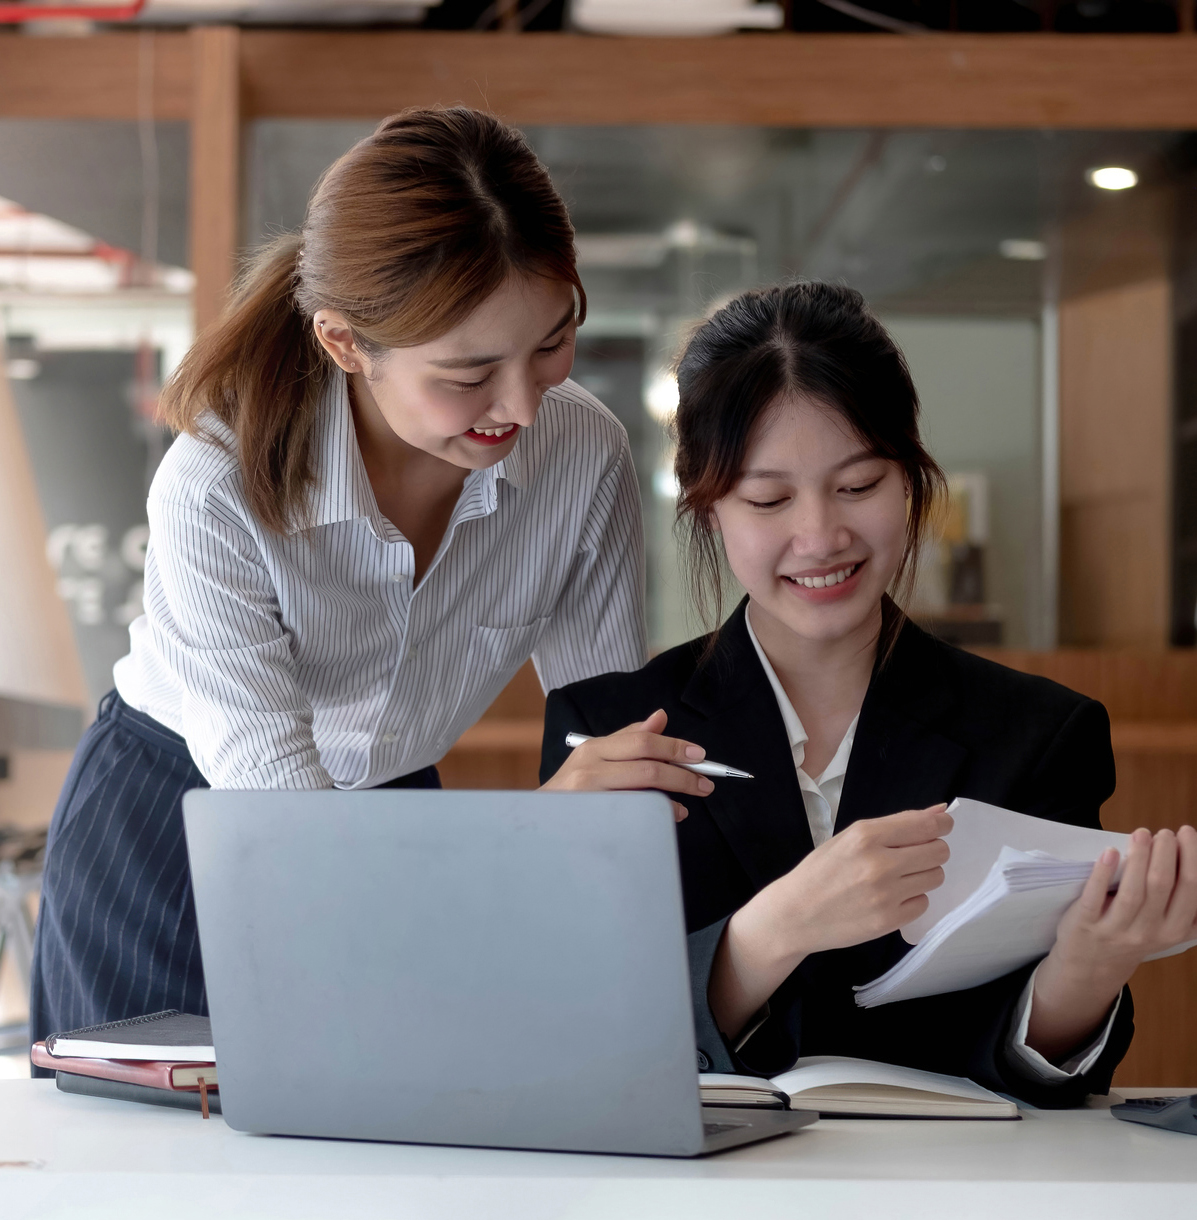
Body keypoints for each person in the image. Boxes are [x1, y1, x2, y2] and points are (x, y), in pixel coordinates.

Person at [30, 107, 648, 1057]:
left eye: (552, 343)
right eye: (469, 371)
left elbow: (610, 730)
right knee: (149, 1165)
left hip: (391, 803)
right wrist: (535, 839)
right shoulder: (217, 484)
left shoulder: (584, 454)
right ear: (345, 342)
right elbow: (285, 824)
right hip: (175, 822)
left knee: (390, 1133)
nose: (524, 404)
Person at [541, 282, 1197, 1107]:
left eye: (856, 486)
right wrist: (774, 931)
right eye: (768, 499)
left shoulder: (1038, 732)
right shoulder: (603, 730)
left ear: (912, 479)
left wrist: (1091, 966)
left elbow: (1041, 1078)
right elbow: (573, 1035)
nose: (819, 537)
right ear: (707, 511)